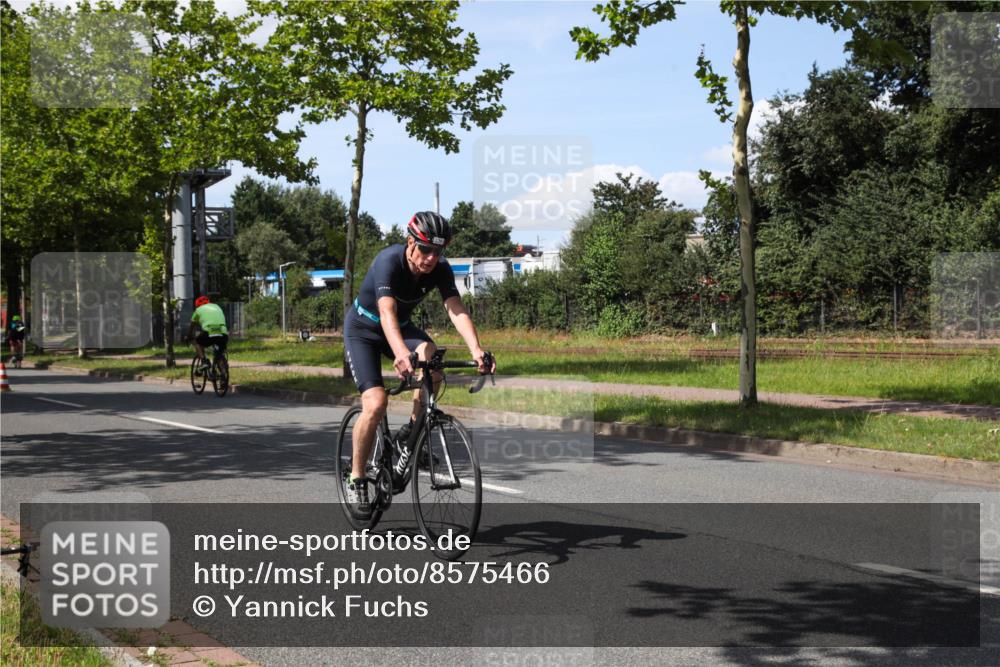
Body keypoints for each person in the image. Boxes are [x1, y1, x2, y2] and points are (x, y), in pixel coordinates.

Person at [343, 211, 495, 519]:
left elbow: (455, 308)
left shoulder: (439, 269)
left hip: (400, 326)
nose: (430, 258)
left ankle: (412, 433)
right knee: (375, 403)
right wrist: (400, 353)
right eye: (425, 249)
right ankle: (357, 477)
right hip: (364, 330)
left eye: (437, 252)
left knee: (432, 356)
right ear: (410, 242)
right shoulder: (389, 261)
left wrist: (477, 349)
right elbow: (386, 312)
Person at [186, 296, 228, 373]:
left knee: (197, 343)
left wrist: (189, 336)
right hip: (223, 332)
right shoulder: (216, 306)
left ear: (197, 305)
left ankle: (204, 362)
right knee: (219, 355)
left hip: (209, 331)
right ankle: (223, 375)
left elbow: (192, 325)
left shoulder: (198, 310)